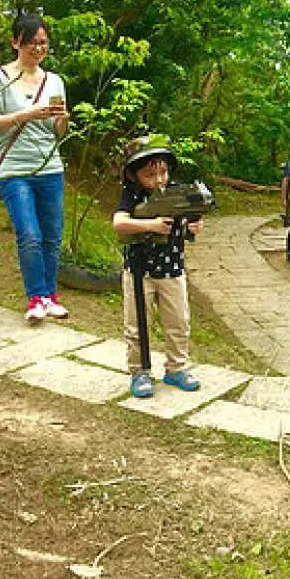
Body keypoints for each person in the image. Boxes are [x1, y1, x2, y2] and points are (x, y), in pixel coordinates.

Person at [0, 14, 70, 322]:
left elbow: (58, 131)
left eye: (43, 43)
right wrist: (26, 114)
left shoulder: (55, 81)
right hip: (13, 168)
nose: (38, 49)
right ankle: (35, 297)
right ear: (16, 43)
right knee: (29, 234)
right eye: (32, 43)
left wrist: (61, 117)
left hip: (50, 166)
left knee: (52, 235)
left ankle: (51, 297)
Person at [112, 135, 202, 398]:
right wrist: (150, 225)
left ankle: (176, 368)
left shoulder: (177, 192)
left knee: (179, 322)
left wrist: (194, 226)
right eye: (150, 174)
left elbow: (192, 222)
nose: (159, 180)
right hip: (139, 271)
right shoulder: (131, 195)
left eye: (163, 172)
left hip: (173, 269)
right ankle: (139, 371)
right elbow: (119, 223)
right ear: (134, 175)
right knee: (137, 324)